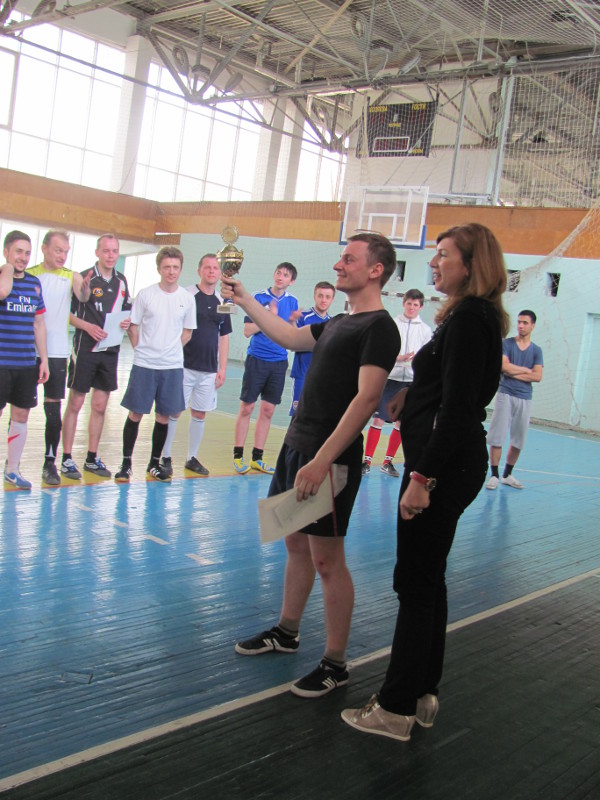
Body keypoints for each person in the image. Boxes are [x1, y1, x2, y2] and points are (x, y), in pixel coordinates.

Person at [341, 223, 508, 741]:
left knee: (413, 583)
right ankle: (421, 693)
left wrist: (421, 477)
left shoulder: (469, 320)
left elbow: (459, 409)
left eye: (443, 255)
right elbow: (458, 387)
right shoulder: (472, 316)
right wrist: (412, 397)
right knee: (427, 580)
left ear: (471, 265)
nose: (434, 263)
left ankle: (395, 708)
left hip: (443, 469)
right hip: (450, 465)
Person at [223, 234, 400, 698]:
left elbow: (367, 399)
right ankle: (287, 631)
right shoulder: (337, 321)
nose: (338, 266)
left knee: (327, 559)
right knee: (295, 544)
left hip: (329, 457)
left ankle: (335, 663)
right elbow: (286, 336)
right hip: (297, 446)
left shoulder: (380, 329)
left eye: (349, 259)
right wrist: (245, 299)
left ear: (376, 270)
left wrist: (323, 461)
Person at [115, 246, 196, 483]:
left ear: (180, 269)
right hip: (145, 365)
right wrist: (141, 349)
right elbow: (133, 325)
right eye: (167, 267)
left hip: (171, 367)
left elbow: (188, 332)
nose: (171, 271)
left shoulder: (187, 299)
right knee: (135, 413)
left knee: (163, 416)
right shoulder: (146, 294)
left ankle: (154, 463)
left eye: (175, 267)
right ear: (159, 268)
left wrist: (170, 351)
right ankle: (126, 464)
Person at [61, 234, 131, 480]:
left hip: (110, 351)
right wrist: (87, 327)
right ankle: (66, 458)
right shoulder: (84, 278)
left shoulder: (122, 281)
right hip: (85, 350)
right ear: (97, 253)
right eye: (106, 251)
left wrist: (126, 321)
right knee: (76, 403)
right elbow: (67, 314)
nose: (111, 256)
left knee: (100, 406)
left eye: (115, 251)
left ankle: (91, 458)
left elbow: (127, 311)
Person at [27, 230, 91, 486]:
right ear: (44, 248)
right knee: (19, 410)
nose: (62, 255)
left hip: (56, 353)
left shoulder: (71, 276)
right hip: (27, 352)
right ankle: (12, 464)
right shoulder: (30, 275)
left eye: (66, 251)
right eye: (58, 250)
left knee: (52, 410)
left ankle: (50, 463)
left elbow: (82, 296)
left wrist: (85, 290)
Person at [160, 253, 232, 477]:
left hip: (209, 370)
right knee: (174, 411)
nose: (211, 271)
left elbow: (224, 336)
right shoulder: (186, 295)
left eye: (215, 268)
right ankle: (165, 456)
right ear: (199, 270)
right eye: (207, 267)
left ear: (220, 273)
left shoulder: (223, 301)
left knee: (200, 413)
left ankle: (191, 458)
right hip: (183, 365)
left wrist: (222, 368)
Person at [233, 262, 298, 475]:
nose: (280, 276)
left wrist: (292, 323)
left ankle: (257, 458)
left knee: (268, 410)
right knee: (247, 408)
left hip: (279, 362)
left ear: (291, 281)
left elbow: (292, 332)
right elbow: (247, 331)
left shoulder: (292, 302)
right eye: (278, 272)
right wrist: (268, 316)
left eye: (285, 275)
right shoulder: (258, 298)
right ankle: (238, 456)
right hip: (257, 359)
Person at [362, 289, 432, 477]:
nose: (411, 307)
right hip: (390, 377)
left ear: (421, 307)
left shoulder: (425, 330)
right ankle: (366, 461)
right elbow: (381, 349)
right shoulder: (392, 324)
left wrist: (418, 361)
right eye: (409, 303)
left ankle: (388, 462)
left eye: (415, 305)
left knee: (401, 422)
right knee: (378, 418)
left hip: (410, 381)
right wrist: (397, 358)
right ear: (404, 303)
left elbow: (427, 356)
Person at [0, 230, 49, 490]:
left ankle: (12, 469)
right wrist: (7, 267)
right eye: (18, 251)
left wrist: (44, 360)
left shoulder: (34, 283)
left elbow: (38, 323)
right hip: (1, 362)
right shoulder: (2, 277)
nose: (23, 257)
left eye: (27, 253)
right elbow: (3, 291)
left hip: (25, 363)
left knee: (21, 415)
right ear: (6, 251)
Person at [485, 310, 543, 490]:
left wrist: (514, 370)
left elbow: (537, 376)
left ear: (532, 326)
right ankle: (494, 475)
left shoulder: (536, 351)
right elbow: (504, 368)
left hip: (524, 398)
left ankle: (507, 474)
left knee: (518, 439)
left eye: (525, 323)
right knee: (497, 437)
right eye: (519, 322)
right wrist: (526, 370)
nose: (521, 326)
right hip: (505, 394)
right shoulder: (507, 344)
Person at [289, 281, 336, 415]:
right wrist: (292, 322)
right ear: (314, 296)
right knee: (297, 415)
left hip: (322, 378)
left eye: (327, 297)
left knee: (316, 415)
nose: (323, 300)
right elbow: (293, 343)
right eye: (320, 296)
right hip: (302, 375)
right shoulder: (303, 317)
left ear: (332, 300)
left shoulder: (333, 323)